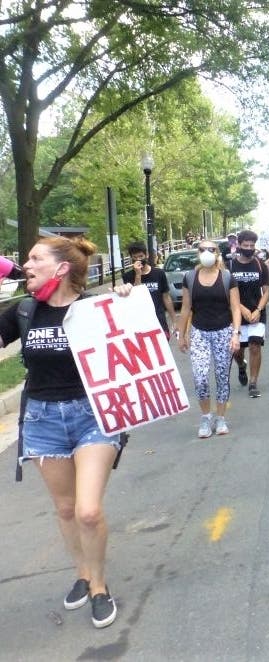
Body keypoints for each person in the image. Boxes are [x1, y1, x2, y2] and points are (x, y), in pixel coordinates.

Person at [0, 237, 121, 627]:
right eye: (26, 259)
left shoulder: (94, 308)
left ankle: (99, 586)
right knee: (66, 509)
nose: (26, 265)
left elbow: (133, 342)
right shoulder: (23, 311)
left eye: (36, 258)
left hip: (93, 416)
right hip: (43, 420)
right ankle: (82, 573)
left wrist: (128, 302)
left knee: (88, 510)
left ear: (62, 268)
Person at [176, 239, 242, 438]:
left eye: (211, 249)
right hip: (199, 332)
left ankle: (221, 418)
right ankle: (206, 417)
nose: (207, 252)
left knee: (222, 376)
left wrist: (235, 334)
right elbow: (185, 308)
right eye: (202, 249)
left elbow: (235, 308)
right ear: (198, 253)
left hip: (223, 331)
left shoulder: (227, 277)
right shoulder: (189, 277)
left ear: (217, 253)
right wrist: (181, 335)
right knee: (200, 377)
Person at [228, 230, 269, 398]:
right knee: (237, 350)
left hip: (257, 313)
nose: (249, 248)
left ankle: (253, 383)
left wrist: (258, 310)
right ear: (238, 245)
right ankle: (241, 366)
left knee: (255, 346)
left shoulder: (260, 265)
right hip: (236, 314)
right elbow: (227, 293)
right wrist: (242, 309)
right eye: (245, 245)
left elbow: (266, 292)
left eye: (252, 245)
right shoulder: (230, 266)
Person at [123, 241, 176, 338]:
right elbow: (135, 296)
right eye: (135, 257)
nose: (138, 260)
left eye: (141, 256)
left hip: (159, 319)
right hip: (140, 321)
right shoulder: (128, 276)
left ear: (146, 255)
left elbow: (166, 297)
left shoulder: (159, 273)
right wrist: (138, 275)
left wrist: (174, 319)